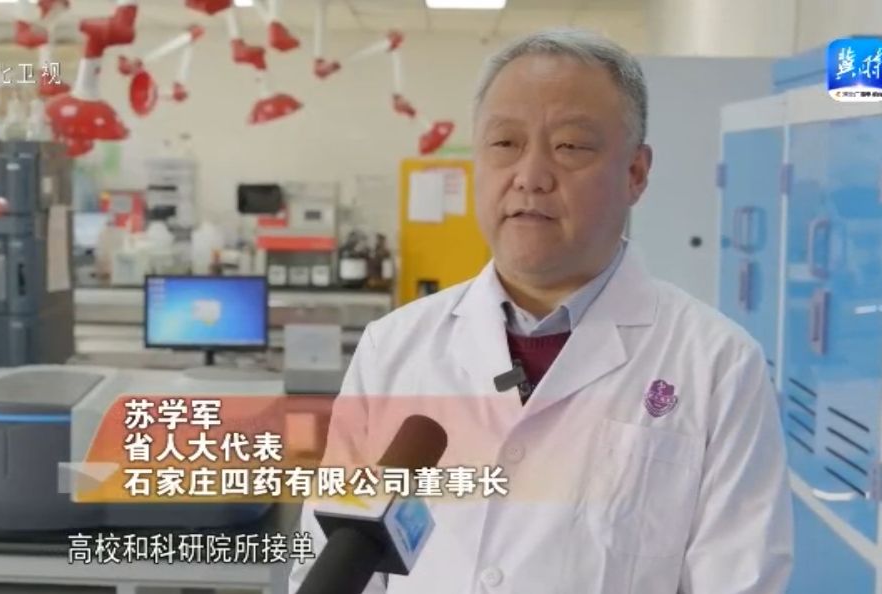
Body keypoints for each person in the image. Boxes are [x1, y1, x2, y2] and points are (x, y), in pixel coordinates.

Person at [288, 27, 793, 594]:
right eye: (505, 143)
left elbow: (739, 581)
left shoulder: (719, 366)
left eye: (571, 147)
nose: (530, 176)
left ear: (635, 173)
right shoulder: (393, 349)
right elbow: (328, 562)